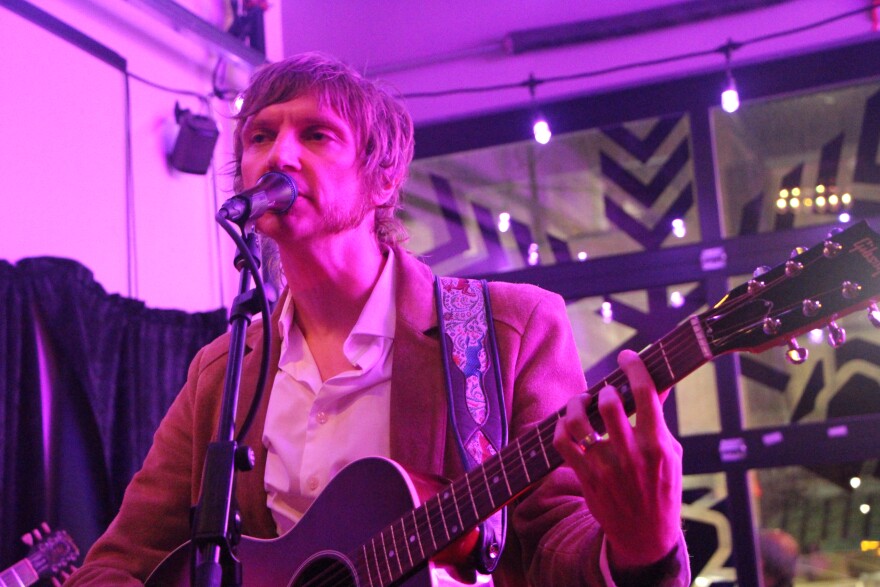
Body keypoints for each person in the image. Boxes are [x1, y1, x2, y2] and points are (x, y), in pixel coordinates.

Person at [65, 52, 689, 586]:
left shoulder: (507, 328)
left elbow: (556, 541)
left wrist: (642, 548)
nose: (279, 153)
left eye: (316, 134)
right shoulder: (221, 372)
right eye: (259, 136)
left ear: (384, 178)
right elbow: (117, 564)